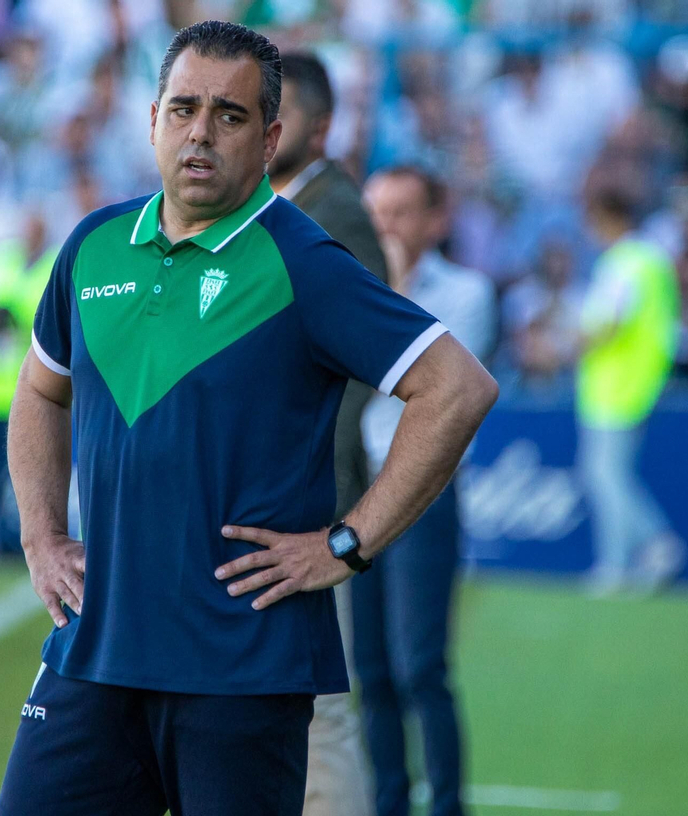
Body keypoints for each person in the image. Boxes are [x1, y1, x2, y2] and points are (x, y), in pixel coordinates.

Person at [0, 21, 498, 816]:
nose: (201, 131)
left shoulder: (301, 260)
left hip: (240, 671)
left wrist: (346, 545)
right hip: (93, 653)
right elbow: (38, 389)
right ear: (151, 117)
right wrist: (40, 533)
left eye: (229, 116)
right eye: (184, 108)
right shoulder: (92, 246)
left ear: (268, 141)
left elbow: (458, 388)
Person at [359, 165, 497, 816]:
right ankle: (388, 802)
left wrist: (390, 282)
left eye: (400, 211)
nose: (384, 223)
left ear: (436, 220)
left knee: (421, 667)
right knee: (373, 673)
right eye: (376, 210)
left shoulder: (467, 291)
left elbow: (416, 376)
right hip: (357, 494)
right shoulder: (353, 281)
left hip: (424, 494)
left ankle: (446, 806)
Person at [267, 50, 378, 816]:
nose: (267, 132)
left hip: (316, 496)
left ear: (321, 124)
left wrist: (311, 466)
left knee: (321, 708)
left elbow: (371, 357)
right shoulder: (289, 204)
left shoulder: (332, 210)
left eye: (281, 115)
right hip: (293, 491)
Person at [577, 184, 684, 596]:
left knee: (605, 477)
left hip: (616, 385)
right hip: (638, 381)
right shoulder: (652, 260)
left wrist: (570, 341)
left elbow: (609, 322)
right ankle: (619, 563)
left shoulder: (623, 263)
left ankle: (653, 545)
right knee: (608, 475)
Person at [0, 212, 57, 555]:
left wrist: (10, 316)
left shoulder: (53, 265)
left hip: (33, 392)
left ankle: (26, 538)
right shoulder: (2, 261)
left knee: (28, 475)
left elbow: (52, 319)